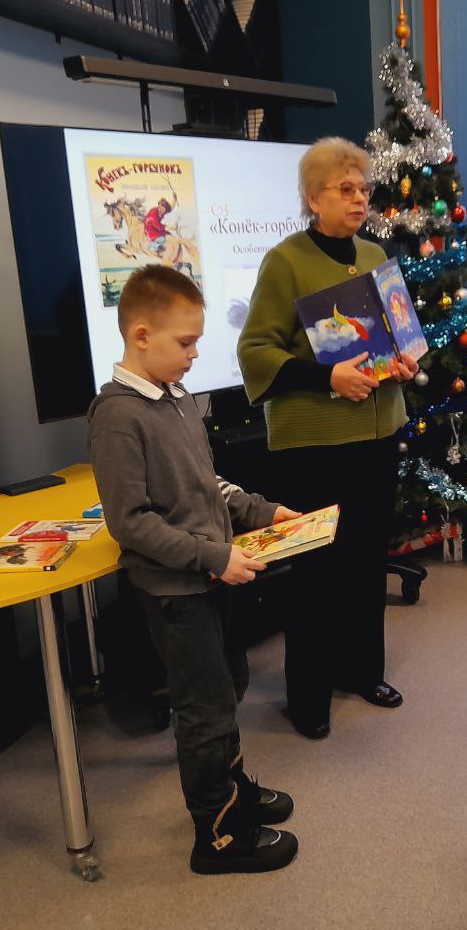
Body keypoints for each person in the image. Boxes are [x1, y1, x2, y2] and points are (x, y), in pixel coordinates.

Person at [88, 264, 300, 874]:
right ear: (142, 335)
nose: (195, 354)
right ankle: (216, 833)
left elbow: (208, 485)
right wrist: (213, 556)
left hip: (211, 578)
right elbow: (131, 523)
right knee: (203, 707)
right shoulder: (117, 416)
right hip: (176, 590)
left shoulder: (178, 399)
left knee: (228, 687)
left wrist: (262, 511)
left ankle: (232, 790)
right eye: (186, 343)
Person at [237, 136, 418, 739]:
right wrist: (327, 377)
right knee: (314, 574)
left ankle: (363, 672)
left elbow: (394, 335)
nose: (360, 198)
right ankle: (308, 695)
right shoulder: (285, 261)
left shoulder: (374, 254)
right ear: (314, 197)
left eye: (364, 188)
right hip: (313, 446)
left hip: (376, 436)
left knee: (366, 564)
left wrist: (405, 359)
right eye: (345, 189)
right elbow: (255, 349)